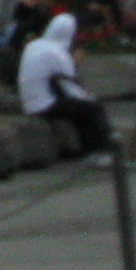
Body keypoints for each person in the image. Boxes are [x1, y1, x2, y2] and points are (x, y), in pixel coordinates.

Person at [17, 10, 118, 159]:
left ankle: (82, 150)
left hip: (28, 101)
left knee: (77, 108)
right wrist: (90, 96)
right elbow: (71, 88)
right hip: (44, 104)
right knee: (92, 109)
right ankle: (97, 151)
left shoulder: (33, 45)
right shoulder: (59, 53)